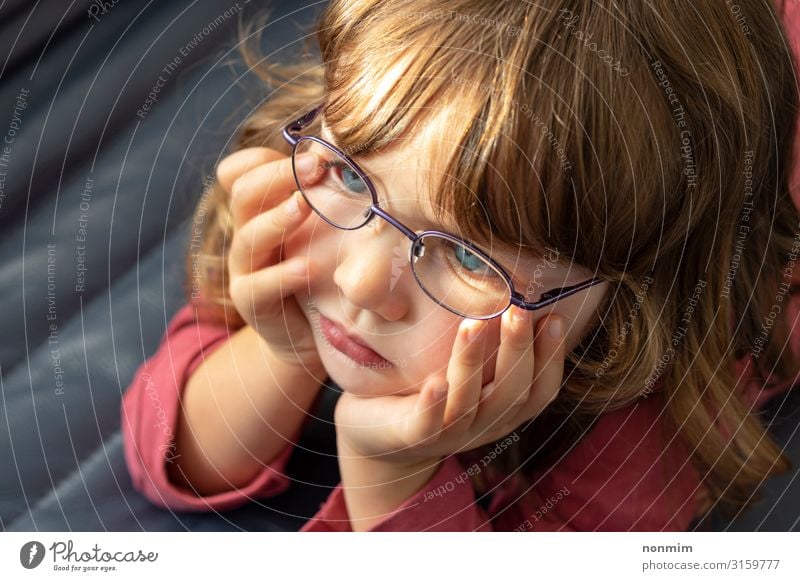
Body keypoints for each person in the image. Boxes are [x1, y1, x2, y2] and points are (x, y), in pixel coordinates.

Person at [121, 0, 800, 531]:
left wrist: (391, 470)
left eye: (470, 255)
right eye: (354, 178)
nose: (360, 283)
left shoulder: (644, 437)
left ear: (623, 306)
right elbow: (174, 453)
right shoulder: (324, 190)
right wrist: (286, 349)